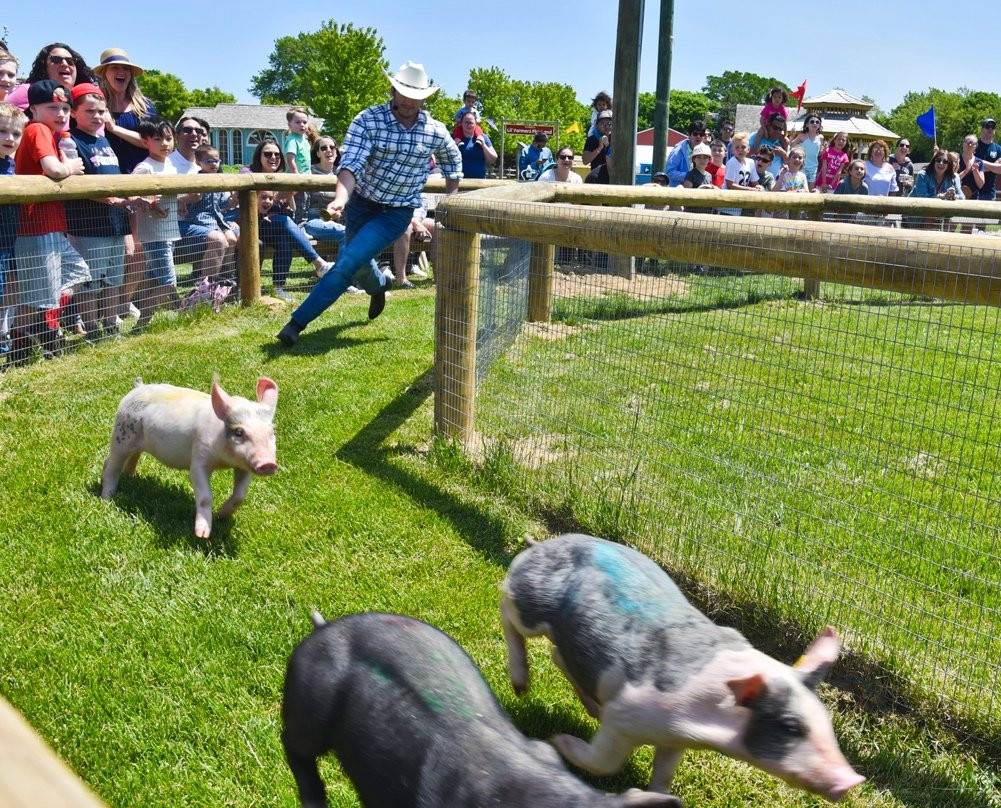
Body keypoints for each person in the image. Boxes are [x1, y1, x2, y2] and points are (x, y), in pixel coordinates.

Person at [276, 60, 462, 347]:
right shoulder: (368, 120)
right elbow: (350, 165)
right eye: (404, 92)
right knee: (360, 263)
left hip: (397, 213)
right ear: (392, 89)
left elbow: (453, 162)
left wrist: (450, 198)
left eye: (417, 95)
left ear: (424, 97)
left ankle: (296, 323)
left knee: (348, 260)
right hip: (362, 205)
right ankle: (379, 284)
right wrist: (341, 198)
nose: (410, 100)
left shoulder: (435, 130)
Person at [9, 80, 89, 365]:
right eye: (52, 107)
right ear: (33, 109)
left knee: (76, 273)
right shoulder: (38, 129)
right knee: (39, 294)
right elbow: (53, 170)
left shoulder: (52, 134)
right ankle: (26, 346)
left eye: (66, 107)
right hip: (36, 226)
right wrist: (72, 167)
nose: (62, 113)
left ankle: (40, 329)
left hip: (50, 225)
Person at [95, 48, 155, 323]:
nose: (121, 73)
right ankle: (106, 308)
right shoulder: (96, 103)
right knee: (121, 248)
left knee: (140, 248)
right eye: (114, 68)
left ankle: (124, 301)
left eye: (125, 69)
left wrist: (115, 128)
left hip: (140, 180)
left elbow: (151, 142)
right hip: (108, 182)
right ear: (105, 74)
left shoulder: (145, 107)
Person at [65, 83, 129, 339]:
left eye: (101, 111)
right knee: (90, 280)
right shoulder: (72, 141)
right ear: (73, 112)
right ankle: (92, 328)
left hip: (115, 222)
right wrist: (114, 200)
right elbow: (77, 184)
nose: (97, 116)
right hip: (88, 223)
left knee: (113, 278)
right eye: (90, 111)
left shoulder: (104, 141)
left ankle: (111, 323)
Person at [240, 140, 332, 299]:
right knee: (283, 222)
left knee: (284, 239)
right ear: (258, 156)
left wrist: (288, 195)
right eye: (268, 154)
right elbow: (243, 201)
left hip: (272, 226)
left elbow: (291, 208)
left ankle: (278, 287)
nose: (273, 157)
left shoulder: (281, 177)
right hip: (249, 224)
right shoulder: (247, 172)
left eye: (277, 154)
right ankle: (319, 264)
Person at [131, 116, 182, 328]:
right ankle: (181, 313)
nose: (165, 144)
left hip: (170, 231)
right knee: (169, 282)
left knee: (152, 280)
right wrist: (150, 203)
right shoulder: (145, 168)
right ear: (145, 141)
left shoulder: (169, 164)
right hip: (155, 234)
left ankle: (141, 324)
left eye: (169, 138)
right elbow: (133, 196)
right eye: (158, 139)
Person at [178, 144, 238, 282]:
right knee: (221, 240)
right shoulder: (195, 180)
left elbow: (222, 205)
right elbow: (185, 199)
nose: (214, 164)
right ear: (198, 162)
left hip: (217, 220)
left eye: (216, 161)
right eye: (209, 161)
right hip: (197, 220)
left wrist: (232, 200)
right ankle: (208, 281)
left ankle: (225, 273)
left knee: (232, 239)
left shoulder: (218, 180)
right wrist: (189, 198)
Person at [0, 102, 25, 357]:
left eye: (16, 134)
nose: (10, 138)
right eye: (2, 132)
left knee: (9, 291)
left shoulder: (11, 164)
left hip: (9, 241)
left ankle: (4, 341)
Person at [6, 43, 95, 114]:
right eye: (56, 60)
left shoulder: (86, 98)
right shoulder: (27, 91)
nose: (65, 64)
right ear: (44, 66)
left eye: (70, 61)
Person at [719, 132, 761, 217]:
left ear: (748, 149)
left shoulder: (751, 162)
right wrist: (749, 189)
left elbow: (754, 182)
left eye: (743, 147)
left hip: (740, 202)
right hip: (728, 203)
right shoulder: (732, 163)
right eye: (737, 147)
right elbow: (730, 185)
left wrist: (759, 187)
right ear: (732, 150)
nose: (740, 150)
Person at [664, 120, 708, 186]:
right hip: (680, 192)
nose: (698, 136)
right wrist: (689, 176)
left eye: (701, 134)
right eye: (695, 134)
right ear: (689, 135)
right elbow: (669, 172)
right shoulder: (678, 150)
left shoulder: (707, 150)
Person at [454, 111, 497, 179]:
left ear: (475, 124)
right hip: (456, 181)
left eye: (471, 123)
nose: (468, 125)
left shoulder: (484, 137)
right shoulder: (453, 138)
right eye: (466, 122)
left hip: (479, 182)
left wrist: (483, 146)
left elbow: (493, 159)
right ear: (461, 123)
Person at [789, 113, 824, 190]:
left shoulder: (820, 137)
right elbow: (791, 146)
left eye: (817, 122)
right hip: (802, 167)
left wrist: (824, 150)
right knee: (798, 189)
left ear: (819, 125)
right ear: (807, 125)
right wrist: (792, 136)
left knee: (811, 190)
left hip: (813, 167)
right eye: (812, 121)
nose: (814, 123)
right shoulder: (802, 136)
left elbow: (819, 154)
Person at [750, 113, 788, 179]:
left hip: (775, 183)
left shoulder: (783, 141)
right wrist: (765, 151)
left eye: (780, 129)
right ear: (768, 125)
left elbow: (790, 164)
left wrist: (784, 154)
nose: (777, 131)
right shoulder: (756, 137)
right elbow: (745, 156)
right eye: (775, 127)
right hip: (754, 180)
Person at [972, 119, 1001, 201]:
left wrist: (981, 164)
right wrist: (994, 166)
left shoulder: (999, 149)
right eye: (987, 126)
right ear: (982, 129)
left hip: (990, 193)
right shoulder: (974, 145)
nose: (990, 129)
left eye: (993, 127)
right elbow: (969, 166)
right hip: (972, 192)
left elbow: (1000, 170)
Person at [958, 135, 985, 200]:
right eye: (967, 142)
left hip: (974, 199)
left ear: (976, 146)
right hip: (957, 197)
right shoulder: (956, 160)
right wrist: (966, 171)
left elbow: (980, 185)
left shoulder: (979, 162)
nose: (969, 145)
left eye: (972, 143)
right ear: (963, 144)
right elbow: (950, 180)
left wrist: (975, 170)